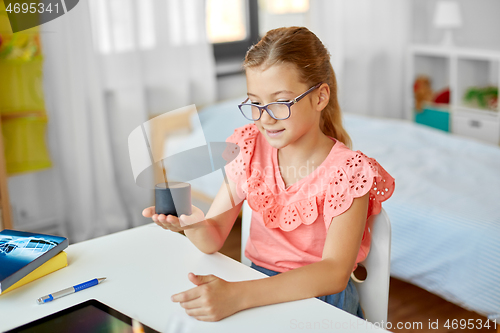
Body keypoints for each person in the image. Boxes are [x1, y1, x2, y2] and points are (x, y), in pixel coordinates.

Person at [142, 26, 395, 322]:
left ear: (320, 97)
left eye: (280, 103)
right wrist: (193, 224)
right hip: (256, 289)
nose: (265, 118)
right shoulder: (248, 149)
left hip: (321, 303)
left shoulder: (348, 172)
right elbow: (213, 238)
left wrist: (238, 295)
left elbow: (334, 273)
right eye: (256, 103)